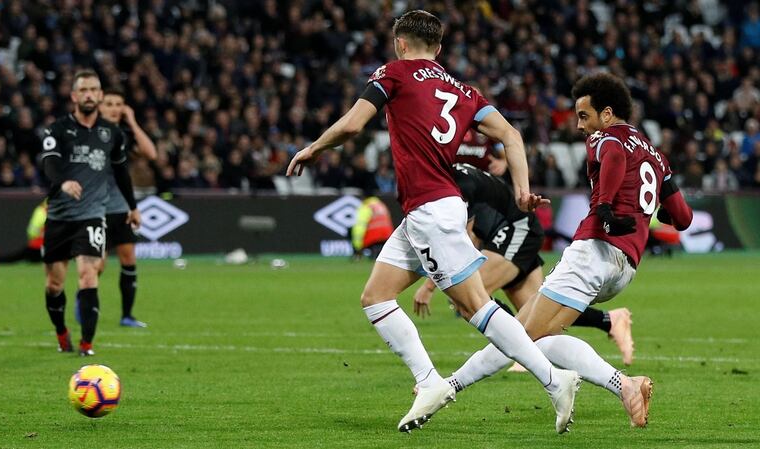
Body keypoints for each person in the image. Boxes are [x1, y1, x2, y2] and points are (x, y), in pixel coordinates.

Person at [287, 10, 580, 434]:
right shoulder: (463, 90)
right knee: (376, 296)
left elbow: (353, 125)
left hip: (431, 209)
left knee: (475, 307)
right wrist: (522, 190)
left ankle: (554, 380)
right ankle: (428, 381)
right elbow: (512, 135)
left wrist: (313, 148)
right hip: (430, 209)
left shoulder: (394, 73)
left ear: (400, 43)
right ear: (438, 49)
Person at [442, 73, 693, 428]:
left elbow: (614, 155)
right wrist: (659, 213)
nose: (579, 125)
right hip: (625, 268)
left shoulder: (606, 137)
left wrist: (604, 206)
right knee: (539, 334)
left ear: (607, 114)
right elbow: (683, 217)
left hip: (594, 251)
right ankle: (625, 386)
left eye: (584, 116)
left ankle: (445, 387)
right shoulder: (655, 155)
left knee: (517, 335)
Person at [412, 162, 635, 366]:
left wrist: (429, 286)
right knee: (537, 310)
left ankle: (520, 354)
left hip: (516, 230)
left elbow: (463, 240)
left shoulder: (456, 186)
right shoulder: (456, 174)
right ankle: (609, 320)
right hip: (510, 232)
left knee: (469, 295)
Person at [39, 69, 140, 356]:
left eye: (93, 90)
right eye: (83, 90)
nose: (88, 95)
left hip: (92, 215)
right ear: (74, 96)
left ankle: (86, 345)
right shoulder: (57, 130)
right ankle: (62, 332)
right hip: (59, 217)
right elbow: (49, 164)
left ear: (99, 95)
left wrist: (132, 207)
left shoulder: (112, 134)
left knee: (88, 275)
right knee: (54, 284)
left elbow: (121, 172)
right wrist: (63, 182)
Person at [77, 87, 157, 328]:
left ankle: (127, 316)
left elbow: (151, 153)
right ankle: (83, 299)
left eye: (118, 105)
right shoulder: (90, 132)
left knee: (128, 258)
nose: (114, 108)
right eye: (109, 104)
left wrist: (132, 121)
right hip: (96, 209)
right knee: (98, 264)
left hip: (121, 207)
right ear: (100, 106)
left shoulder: (125, 134)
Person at [0, 199, 47, 264]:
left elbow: (32, 232)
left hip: (38, 247)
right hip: (39, 248)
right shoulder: (44, 211)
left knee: (16, 257)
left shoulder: (41, 211)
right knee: (18, 256)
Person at [351, 191, 394, 260]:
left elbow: (359, 226)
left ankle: (360, 256)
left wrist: (357, 246)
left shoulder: (366, 206)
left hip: (373, 237)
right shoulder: (381, 205)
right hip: (387, 236)